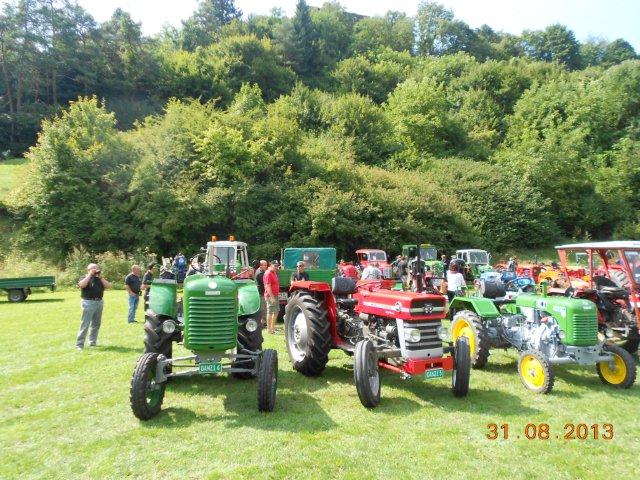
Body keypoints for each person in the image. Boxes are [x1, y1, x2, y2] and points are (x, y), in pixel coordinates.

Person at [76, 263, 112, 349]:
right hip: (88, 302)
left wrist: (101, 277)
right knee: (85, 323)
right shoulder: (84, 277)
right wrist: (89, 275)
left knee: (96, 324)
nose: (96, 270)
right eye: (93, 269)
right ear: (88, 270)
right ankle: (79, 344)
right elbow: (81, 285)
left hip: (99, 302)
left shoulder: (99, 279)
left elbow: (109, 286)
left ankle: (92, 342)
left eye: (97, 268)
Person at [263, 260, 281, 334]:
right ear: (270, 265)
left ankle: (272, 328)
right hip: (270, 296)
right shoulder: (268, 273)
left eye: (277, 266)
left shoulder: (274, 272)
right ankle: (269, 329)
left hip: (275, 295)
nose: (276, 267)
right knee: (270, 312)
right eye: (275, 266)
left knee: (276, 311)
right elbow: (267, 286)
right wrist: (272, 297)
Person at [255, 260, 268, 327]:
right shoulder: (260, 273)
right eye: (265, 265)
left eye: (266, 265)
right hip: (261, 292)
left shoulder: (261, 271)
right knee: (263, 308)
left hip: (262, 292)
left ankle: (264, 322)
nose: (266, 266)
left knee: (264, 307)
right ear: (261, 265)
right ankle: (262, 323)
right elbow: (265, 282)